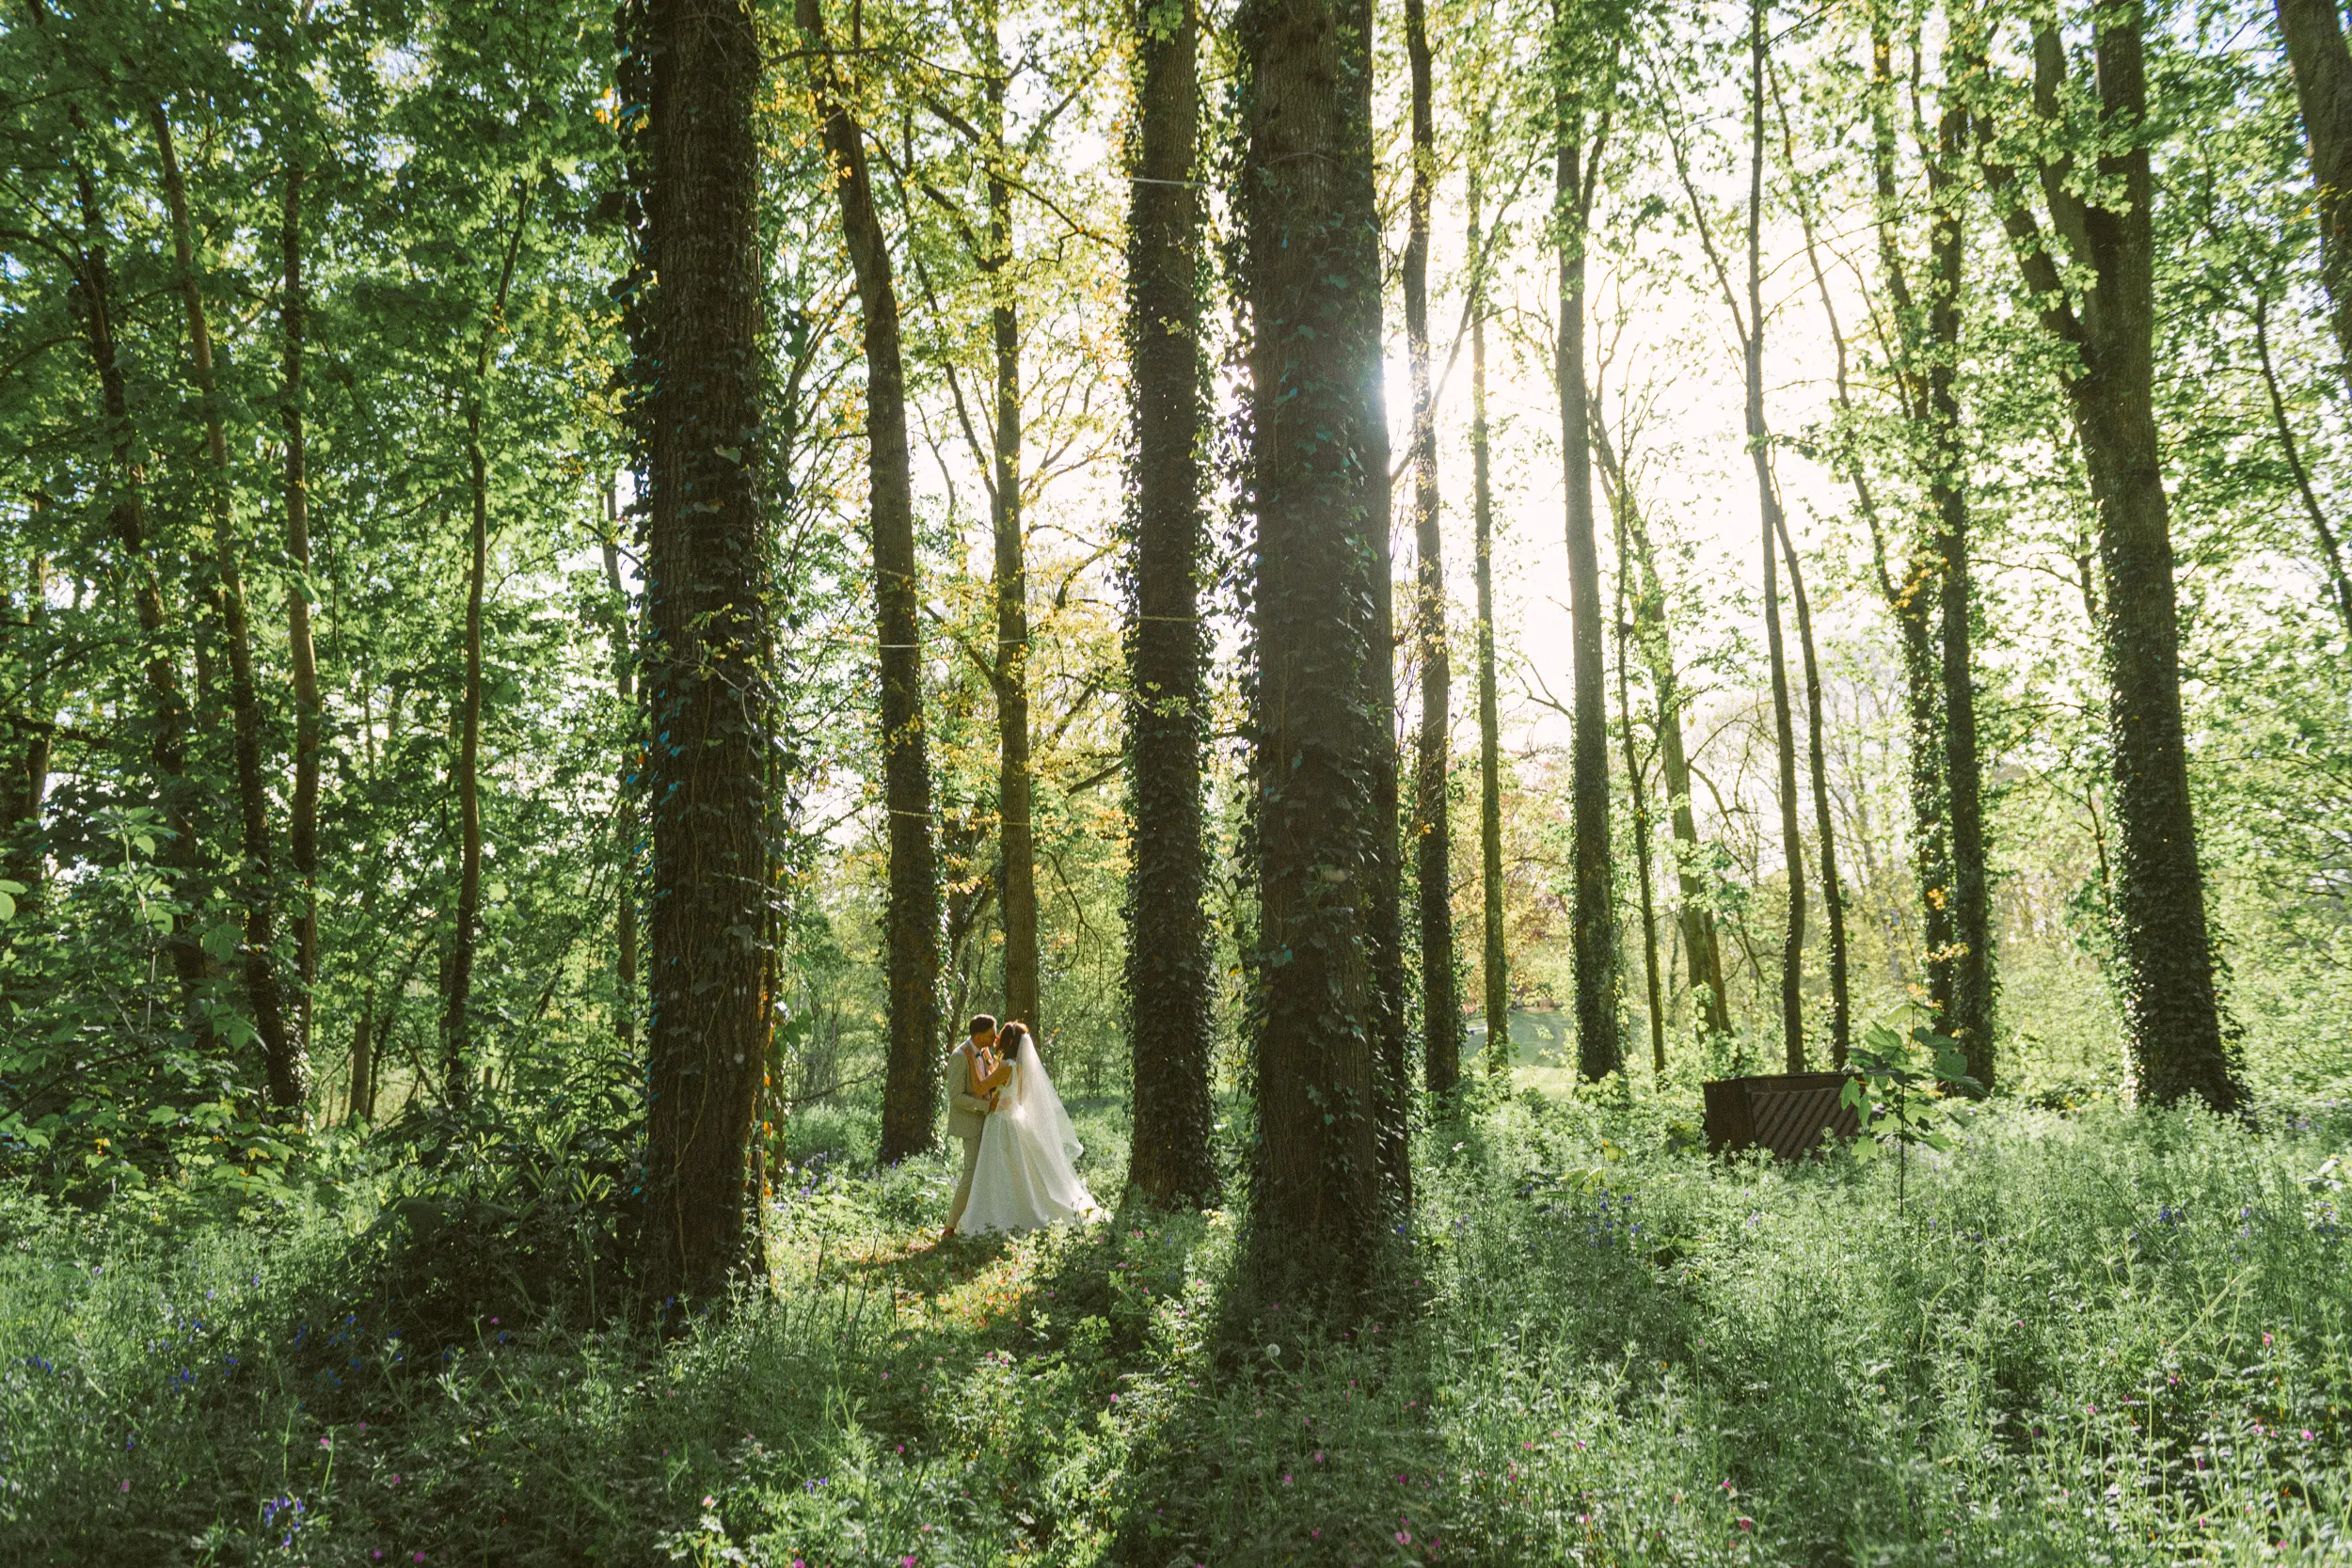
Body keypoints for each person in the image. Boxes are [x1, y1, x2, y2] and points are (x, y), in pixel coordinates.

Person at [959, 1021, 1105, 1236]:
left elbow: (981, 1087)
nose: (996, 1039)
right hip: (1014, 1118)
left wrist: (972, 1060)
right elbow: (1015, 1094)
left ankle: (1003, 1215)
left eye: (999, 1035)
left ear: (1008, 1041)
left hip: (1001, 1121)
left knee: (1000, 1171)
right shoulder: (1017, 1065)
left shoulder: (1006, 1065)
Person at [941, 1014, 1007, 1244]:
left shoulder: (985, 1053)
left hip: (986, 1122)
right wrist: (986, 1106)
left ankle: (974, 1221)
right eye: (991, 1034)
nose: (995, 1037)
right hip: (971, 1125)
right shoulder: (959, 1057)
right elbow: (956, 1097)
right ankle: (949, 1226)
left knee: (984, 1173)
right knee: (970, 1175)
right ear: (979, 1036)